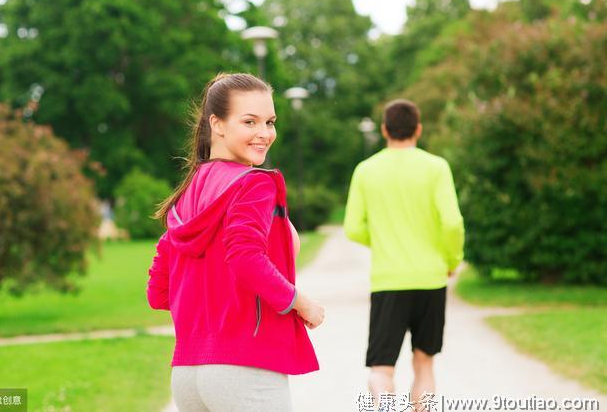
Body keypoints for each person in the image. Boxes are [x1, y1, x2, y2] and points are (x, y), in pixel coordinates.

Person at [147, 73, 324, 412]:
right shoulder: (254, 184)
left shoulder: (186, 194)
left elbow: (158, 292)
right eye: (250, 121)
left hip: (188, 375)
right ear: (218, 124)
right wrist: (302, 303)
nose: (264, 133)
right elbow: (245, 258)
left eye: (270, 122)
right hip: (246, 371)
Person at [344, 99, 464, 408]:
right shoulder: (437, 167)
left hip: (388, 282)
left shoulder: (366, 170)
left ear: (385, 130)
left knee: (381, 369)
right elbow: (452, 222)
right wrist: (451, 260)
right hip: (431, 278)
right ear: (418, 130)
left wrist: (383, 239)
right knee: (424, 364)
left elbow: (353, 228)